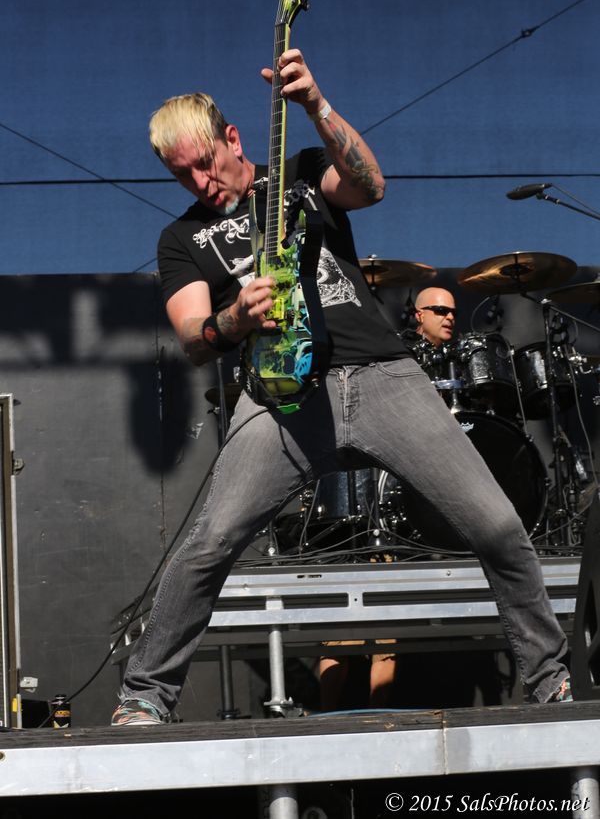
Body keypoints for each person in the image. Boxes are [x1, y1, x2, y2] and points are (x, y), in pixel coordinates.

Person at [111, 48, 571, 726]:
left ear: (233, 138)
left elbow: (370, 185)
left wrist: (314, 105)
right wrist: (236, 318)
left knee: (499, 524)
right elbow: (191, 334)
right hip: (283, 399)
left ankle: (549, 680)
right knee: (210, 542)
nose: (200, 182)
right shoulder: (182, 238)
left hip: (383, 375)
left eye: (205, 162)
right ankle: (145, 696)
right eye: (182, 174)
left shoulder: (300, 175)